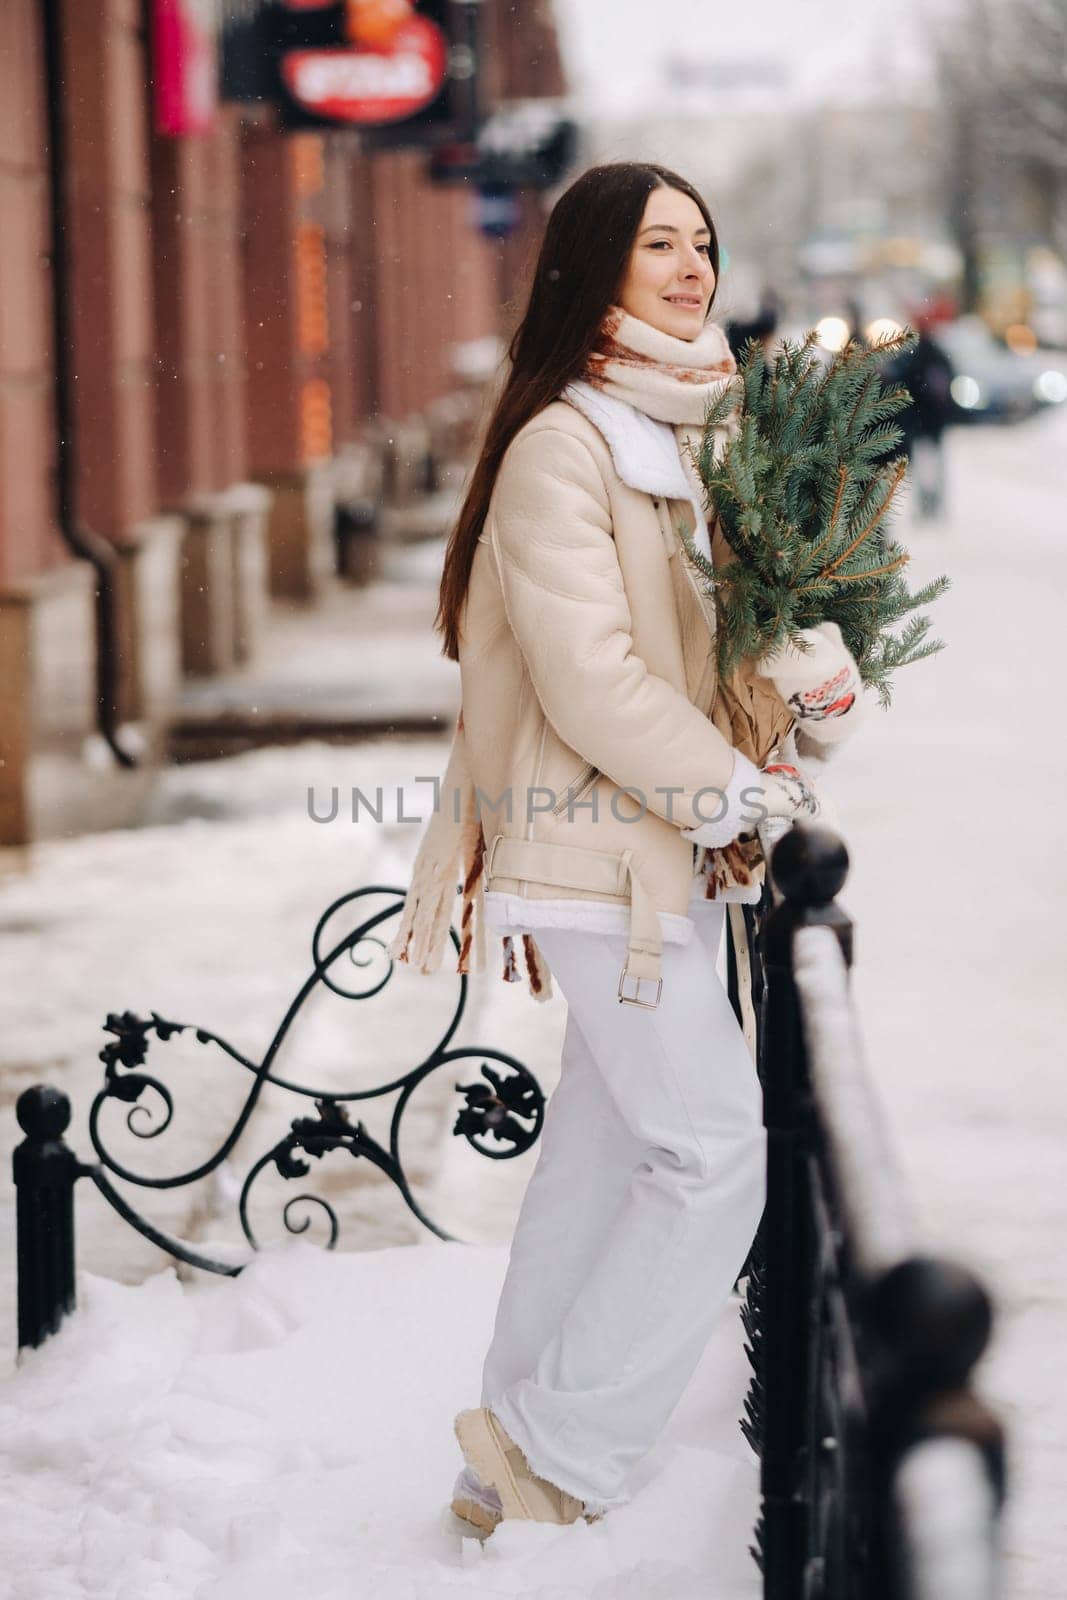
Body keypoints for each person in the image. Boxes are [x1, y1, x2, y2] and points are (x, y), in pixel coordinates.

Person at [386, 163, 866, 1533]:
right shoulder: (567, 444)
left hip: (647, 859)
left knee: (605, 1158)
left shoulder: (685, 433)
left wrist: (809, 683)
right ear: (590, 266)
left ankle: (507, 1449)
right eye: (655, 243)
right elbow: (591, 678)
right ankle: (559, 1452)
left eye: (701, 242)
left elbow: (711, 637)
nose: (687, 266)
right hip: (602, 858)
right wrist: (731, 797)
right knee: (717, 1153)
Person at [882, 312, 956, 518]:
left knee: (928, 464)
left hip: (921, 420)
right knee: (930, 464)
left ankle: (929, 502)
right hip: (926, 421)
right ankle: (929, 502)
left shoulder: (917, 356)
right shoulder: (932, 356)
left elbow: (901, 382)